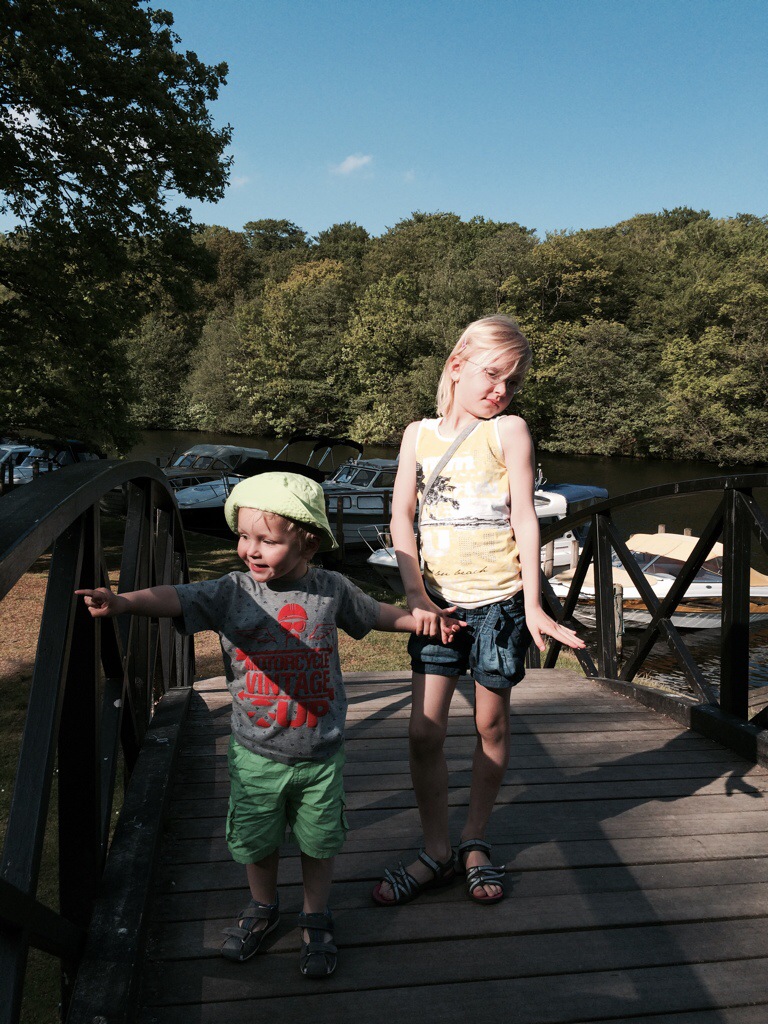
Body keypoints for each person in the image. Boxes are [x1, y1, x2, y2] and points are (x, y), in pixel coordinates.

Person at [77, 472, 462, 977]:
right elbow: (176, 596)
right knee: (257, 842)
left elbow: (373, 613)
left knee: (318, 843)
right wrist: (126, 602)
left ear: (308, 543)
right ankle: (263, 905)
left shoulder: (330, 589)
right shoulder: (231, 591)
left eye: (266, 540)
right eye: (243, 536)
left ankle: (315, 913)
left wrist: (421, 619)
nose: (250, 550)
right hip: (257, 753)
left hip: (320, 755)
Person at [372, 314, 585, 908]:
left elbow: (525, 516)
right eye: (493, 375)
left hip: (500, 606)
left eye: (512, 382)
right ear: (457, 364)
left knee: (491, 726)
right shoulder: (417, 435)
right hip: (439, 605)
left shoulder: (509, 430)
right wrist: (416, 594)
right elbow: (401, 515)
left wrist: (534, 604)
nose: (501, 390)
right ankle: (435, 849)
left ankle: (473, 841)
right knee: (423, 732)